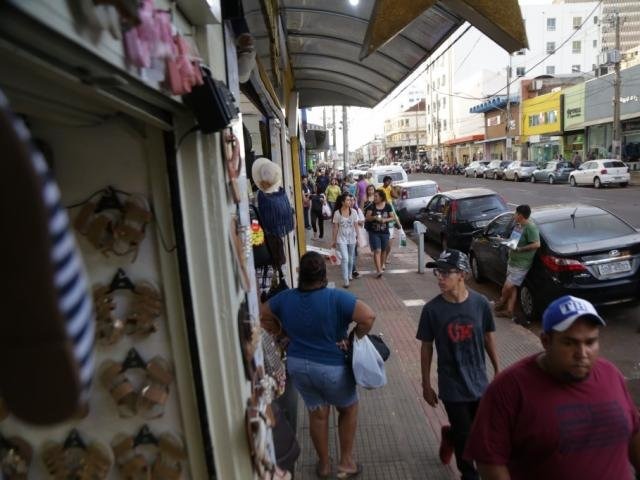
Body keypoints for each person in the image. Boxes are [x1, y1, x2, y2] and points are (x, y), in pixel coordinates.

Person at [465, 295, 640, 480]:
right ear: (546, 341)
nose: (582, 354)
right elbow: (490, 462)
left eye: (590, 342)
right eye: (569, 343)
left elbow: (634, 430)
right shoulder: (508, 389)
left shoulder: (611, 374)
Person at [260, 252, 376, 479]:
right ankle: (346, 463)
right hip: (332, 367)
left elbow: (262, 315)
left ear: (299, 274)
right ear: (323, 276)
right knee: (348, 408)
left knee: (318, 413)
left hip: (298, 367)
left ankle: (324, 465)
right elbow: (368, 317)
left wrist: (282, 334)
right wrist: (352, 339)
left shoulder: (285, 298)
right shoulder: (336, 298)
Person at [417, 250, 499, 480]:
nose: (440, 278)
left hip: (479, 381)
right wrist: (425, 384)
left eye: (445, 273)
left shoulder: (480, 304)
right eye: (438, 272)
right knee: (466, 438)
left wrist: (498, 370)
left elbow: (488, 338)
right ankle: (468, 473)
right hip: (451, 384)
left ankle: (450, 435)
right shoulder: (431, 310)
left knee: (478, 431)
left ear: (462, 274)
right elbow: (426, 346)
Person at [494, 205, 540, 322]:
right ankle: (509, 311)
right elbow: (514, 242)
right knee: (513, 288)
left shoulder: (530, 227)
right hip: (513, 261)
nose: (514, 215)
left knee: (507, 287)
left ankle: (501, 303)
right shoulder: (519, 225)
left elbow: (536, 244)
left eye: (515, 213)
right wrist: (503, 241)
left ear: (520, 215)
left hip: (521, 264)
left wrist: (521, 249)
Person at [364, 189, 396, 278]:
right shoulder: (372, 206)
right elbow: (367, 218)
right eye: (374, 196)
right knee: (377, 250)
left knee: (383, 250)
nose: (374, 197)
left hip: (385, 232)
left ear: (381, 197)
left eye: (376, 196)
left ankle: (381, 266)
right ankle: (378, 270)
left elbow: (392, 217)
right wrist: (374, 217)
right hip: (374, 232)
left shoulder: (387, 206)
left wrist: (385, 220)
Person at [331, 193, 360, 289]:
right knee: (345, 258)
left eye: (351, 200)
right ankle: (346, 280)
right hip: (341, 239)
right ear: (342, 202)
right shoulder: (337, 213)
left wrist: (358, 238)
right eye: (348, 200)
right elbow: (335, 228)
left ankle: (350, 274)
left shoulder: (354, 212)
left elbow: (356, 226)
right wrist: (334, 241)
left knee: (351, 258)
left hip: (352, 238)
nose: (350, 202)